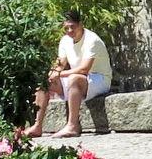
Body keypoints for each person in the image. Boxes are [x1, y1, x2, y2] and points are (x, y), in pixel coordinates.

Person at [22, 10, 113, 139]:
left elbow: (84, 69)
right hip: (78, 79)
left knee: (74, 78)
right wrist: (52, 73)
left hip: (100, 79)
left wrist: (60, 74)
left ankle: (72, 126)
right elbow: (60, 64)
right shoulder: (65, 40)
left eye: (73, 27)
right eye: (66, 28)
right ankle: (37, 126)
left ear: (81, 24)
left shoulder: (92, 40)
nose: (70, 30)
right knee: (44, 83)